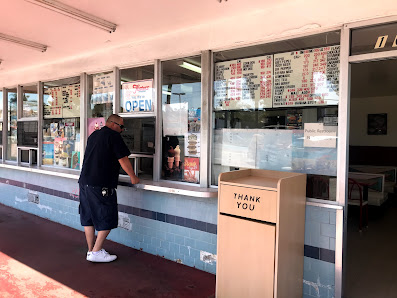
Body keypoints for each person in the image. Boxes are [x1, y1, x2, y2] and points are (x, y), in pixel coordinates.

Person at [78, 114, 139, 263]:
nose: (122, 130)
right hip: (100, 184)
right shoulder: (113, 136)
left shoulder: (94, 135)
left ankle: (90, 250)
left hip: (84, 182)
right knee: (107, 216)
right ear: (113, 124)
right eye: (122, 127)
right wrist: (133, 176)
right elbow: (123, 159)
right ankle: (97, 251)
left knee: (89, 217)